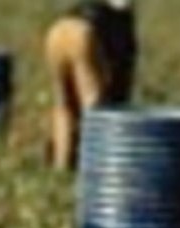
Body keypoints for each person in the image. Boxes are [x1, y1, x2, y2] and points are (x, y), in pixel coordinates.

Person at [43, 0, 136, 172]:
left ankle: (60, 167)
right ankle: (95, 172)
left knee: (63, 106)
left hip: (58, 30)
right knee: (95, 108)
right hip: (86, 33)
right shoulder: (119, 19)